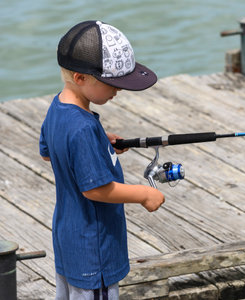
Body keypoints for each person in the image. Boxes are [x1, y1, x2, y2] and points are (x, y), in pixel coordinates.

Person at [39, 20, 165, 299]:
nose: (117, 90)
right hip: (93, 252)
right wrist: (144, 193)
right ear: (81, 78)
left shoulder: (58, 108)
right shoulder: (83, 127)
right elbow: (96, 190)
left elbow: (50, 152)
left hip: (69, 242)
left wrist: (98, 141)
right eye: (112, 84)